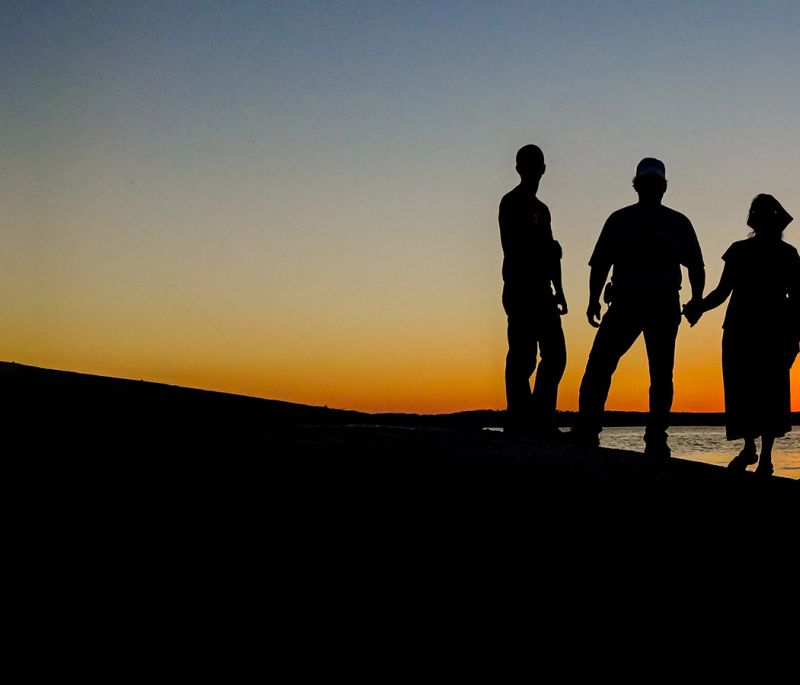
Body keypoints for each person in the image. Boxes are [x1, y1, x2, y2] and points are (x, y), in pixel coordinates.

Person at [571, 158, 705, 457]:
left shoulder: (673, 222)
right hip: (626, 302)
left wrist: (697, 299)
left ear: (661, 187)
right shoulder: (623, 220)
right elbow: (601, 263)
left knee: (656, 373)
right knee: (601, 366)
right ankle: (589, 429)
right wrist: (593, 298)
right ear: (639, 186)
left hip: (658, 304)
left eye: (655, 184)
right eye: (647, 184)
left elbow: (696, 264)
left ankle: (655, 437)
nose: (651, 188)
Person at [683, 195, 798, 476]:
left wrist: (795, 337)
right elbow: (722, 292)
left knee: (760, 390)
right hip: (747, 328)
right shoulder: (752, 251)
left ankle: (762, 455)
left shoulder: (785, 254)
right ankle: (754, 450)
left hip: (763, 329)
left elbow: (797, 298)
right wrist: (699, 305)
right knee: (749, 389)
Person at [499, 144, 567, 436]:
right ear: (518, 169)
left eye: (536, 164)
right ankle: (520, 418)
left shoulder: (543, 209)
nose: (533, 170)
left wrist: (560, 290)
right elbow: (516, 246)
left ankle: (540, 417)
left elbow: (552, 253)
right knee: (523, 357)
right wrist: (548, 249)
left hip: (542, 290)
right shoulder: (511, 203)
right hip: (520, 288)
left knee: (555, 355)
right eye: (527, 164)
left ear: (543, 168)